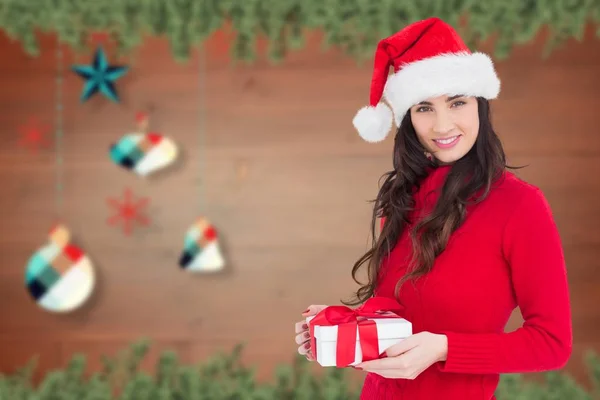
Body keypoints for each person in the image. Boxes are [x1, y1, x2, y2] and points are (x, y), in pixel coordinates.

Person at [294, 17, 572, 399]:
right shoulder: (402, 198)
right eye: (424, 108)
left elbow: (551, 344)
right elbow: (404, 325)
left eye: (457, 102)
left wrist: (444, 349)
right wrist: (344, 332)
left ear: (480, 105)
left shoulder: (520, 205)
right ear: (409, 118)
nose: (443, 125)